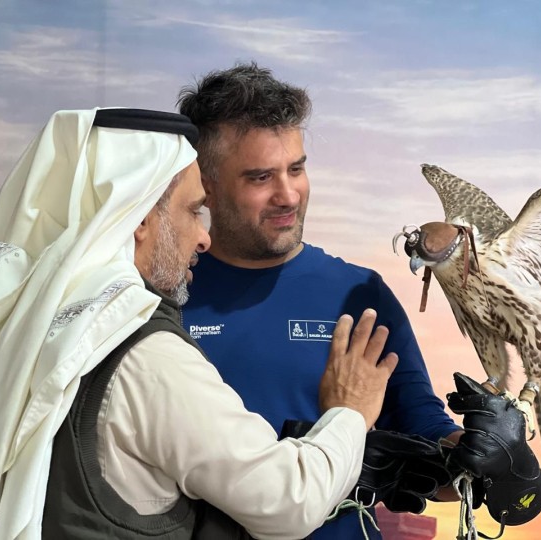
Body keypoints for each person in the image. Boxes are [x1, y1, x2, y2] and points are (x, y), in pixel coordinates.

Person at [0, 107, 406, 540]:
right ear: (138, 219)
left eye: (296, 168)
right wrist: (350, 413)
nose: (203, 236)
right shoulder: (143, 356)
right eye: (193, 211)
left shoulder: (22, 332)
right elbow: (288, 500)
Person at [177, 63, 469, 539]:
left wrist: (479, 456)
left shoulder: (360, 295)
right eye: (260, 177)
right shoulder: (165, 297)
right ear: (204, 183)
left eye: (296, 168)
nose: (288, 195)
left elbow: (421, 433)